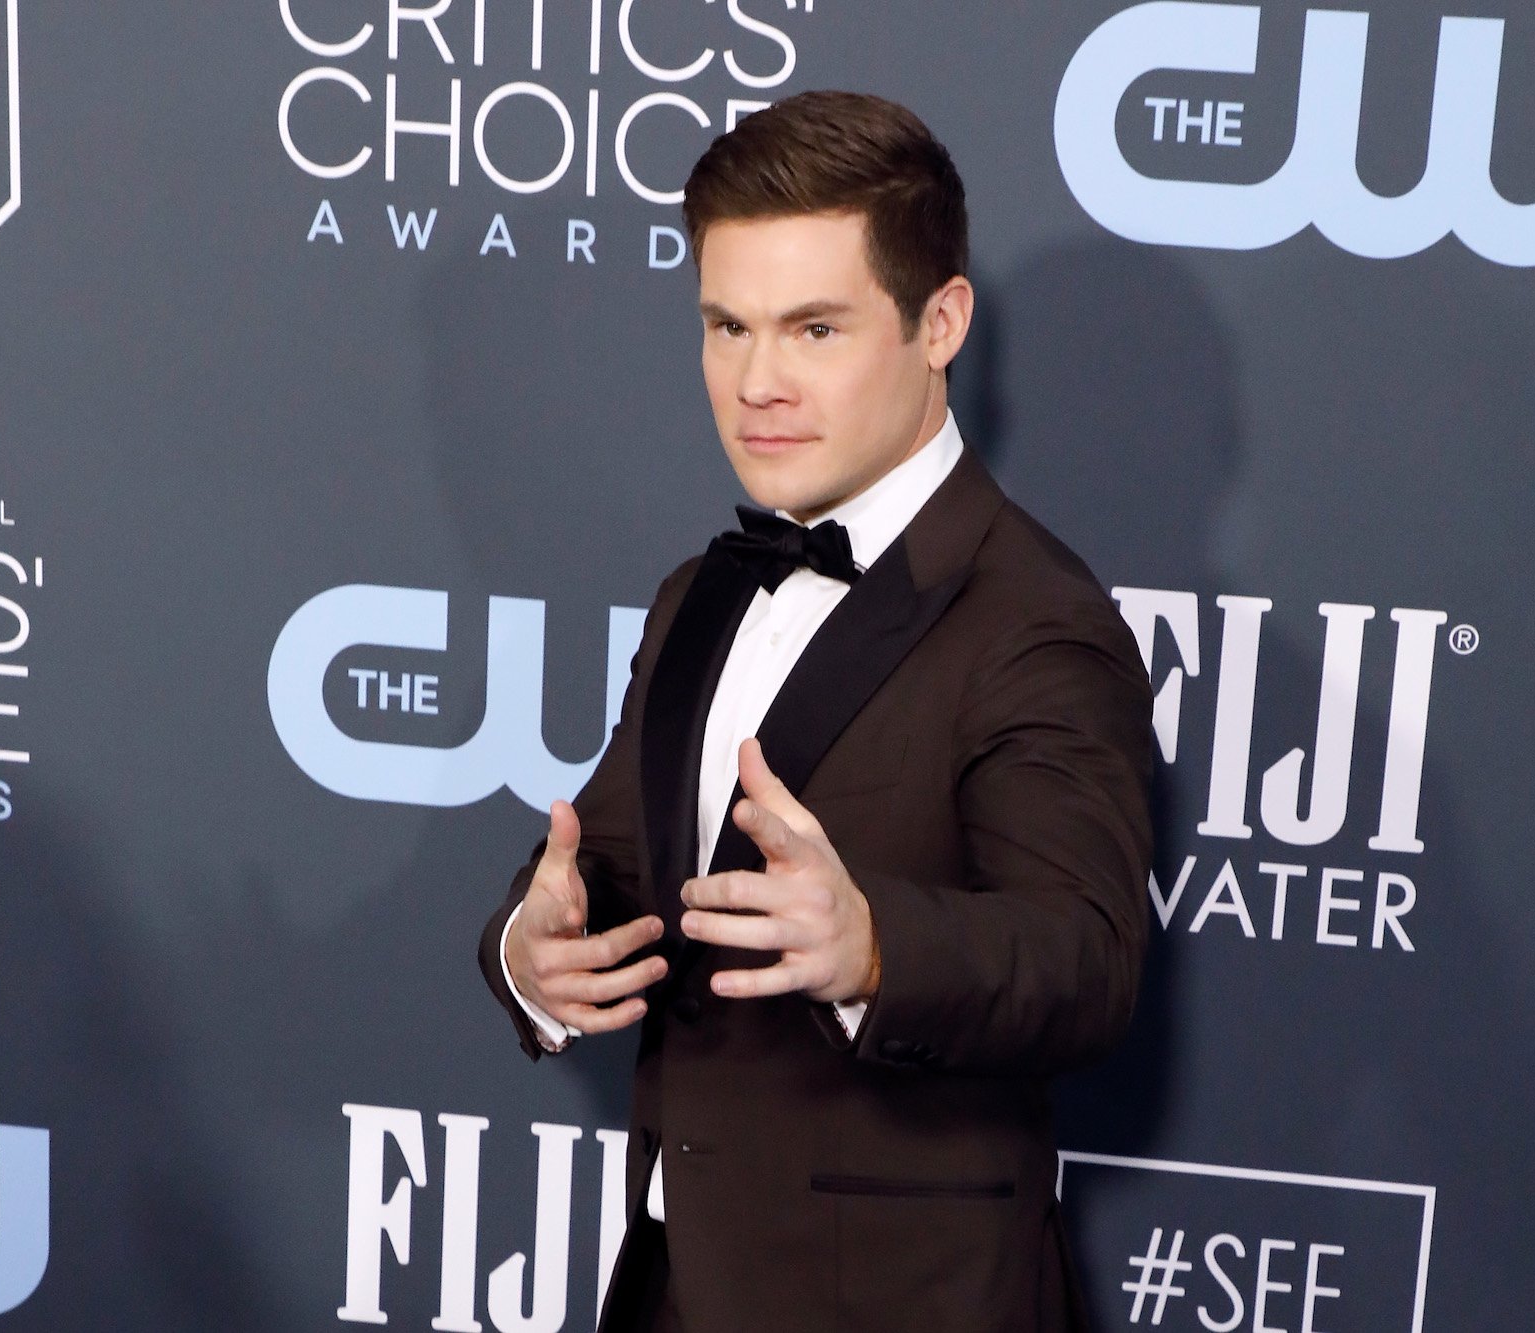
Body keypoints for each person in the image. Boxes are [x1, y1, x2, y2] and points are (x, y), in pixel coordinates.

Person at [478, 90, 1153, 1333]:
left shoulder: (1032, 619)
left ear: (938, 323)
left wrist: (875, 947)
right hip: (679, 1287)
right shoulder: (700, 591)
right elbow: (610, 858)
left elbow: (1086, 959)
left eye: (814, 329)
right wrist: (531, 942)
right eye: (725, 326)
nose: (756, 381)